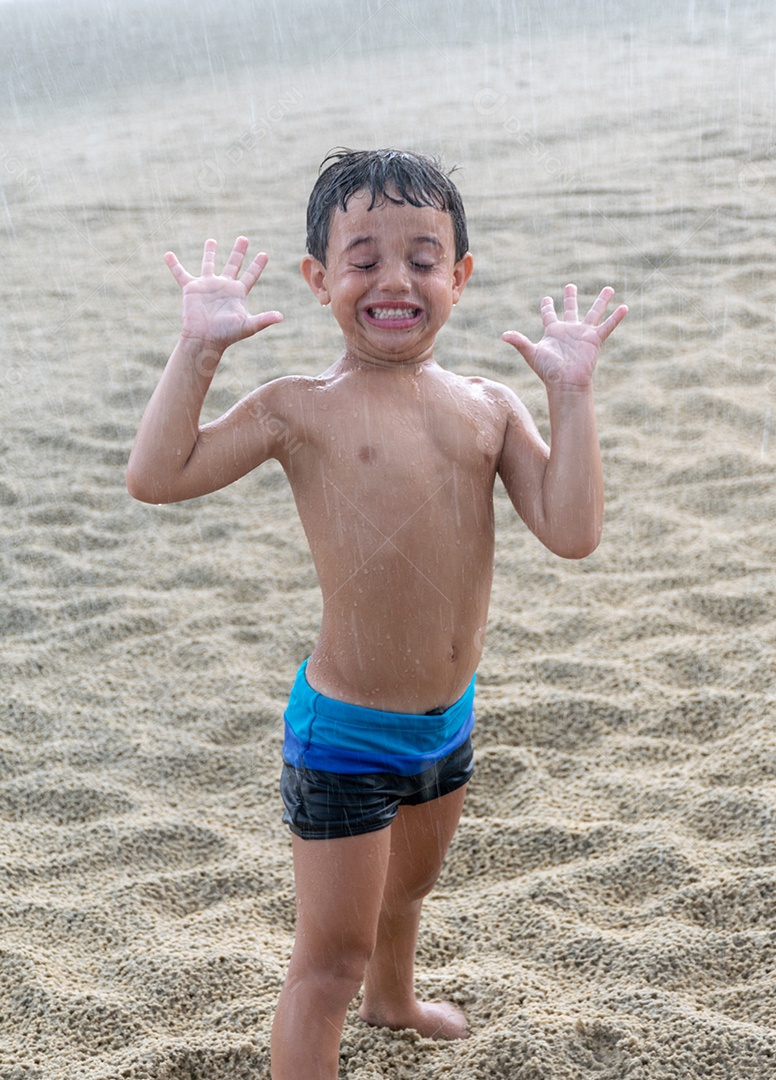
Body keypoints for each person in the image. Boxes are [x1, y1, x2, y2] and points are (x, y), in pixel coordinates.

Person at [126, 148, 627, 1079]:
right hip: (347, 732)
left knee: (411, 887)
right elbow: (158, 476)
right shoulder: (298, 409)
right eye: (363, 258)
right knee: (327, 963)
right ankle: (359, 995)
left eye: (424, 258)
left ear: (460, 277)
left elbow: (572, 529)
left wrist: (572, 393)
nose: (394, 280)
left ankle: (393, 1003)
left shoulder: (488, 405)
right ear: (319, 279)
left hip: (448, 715)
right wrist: (197, 349)